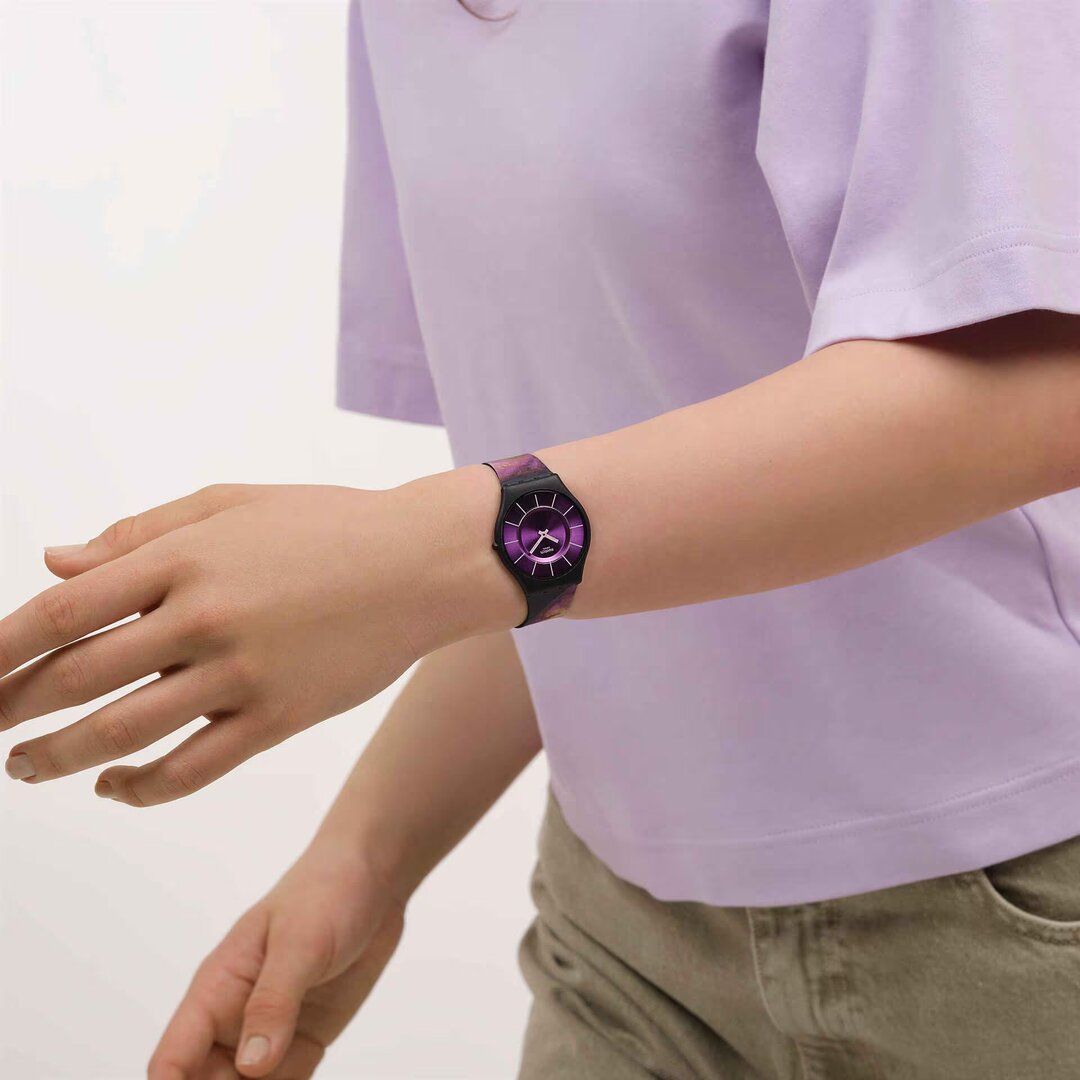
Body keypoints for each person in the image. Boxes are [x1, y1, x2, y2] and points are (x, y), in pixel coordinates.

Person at [3, 0, 1079, 1075]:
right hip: (624, 934)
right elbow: (585, 516)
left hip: (1017, 904)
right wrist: (363, 854)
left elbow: (1039, 392)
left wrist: (414, 554)